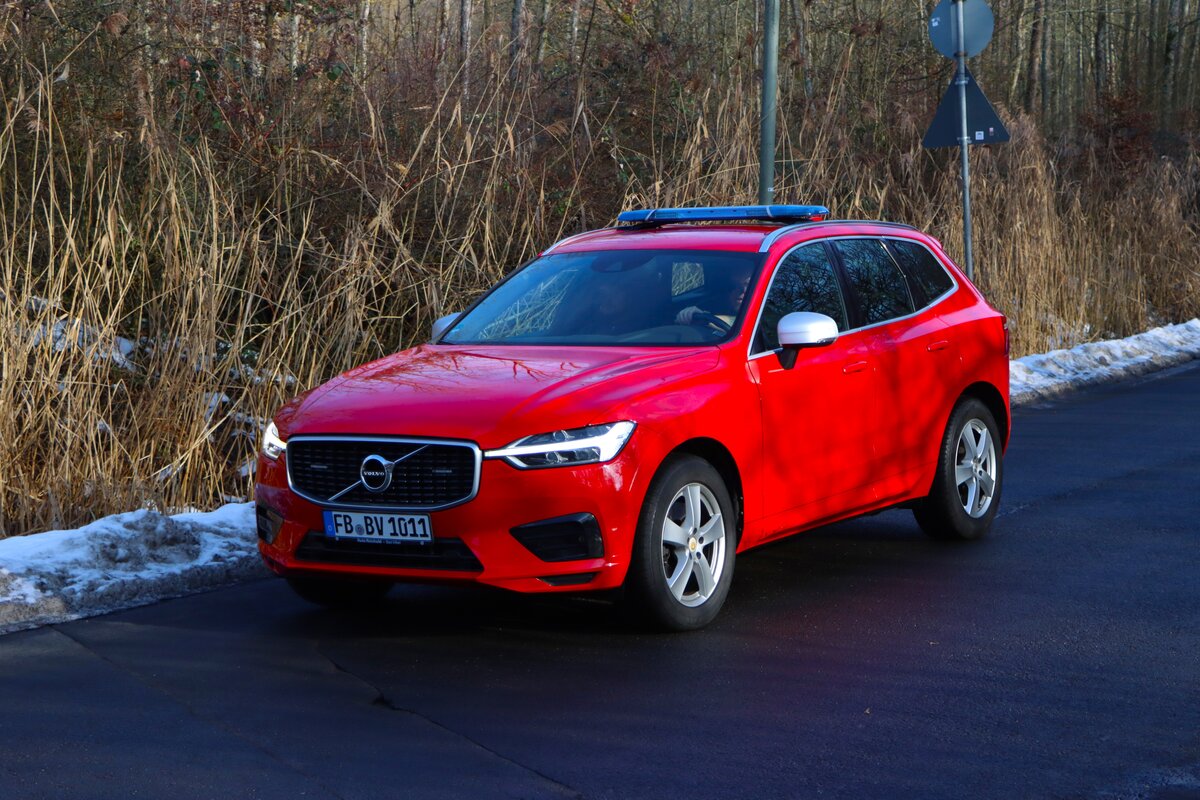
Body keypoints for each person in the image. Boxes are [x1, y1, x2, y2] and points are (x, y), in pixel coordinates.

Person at [674, 268, 753, 328]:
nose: (743, 290)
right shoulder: (717, 306)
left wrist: (707, 320)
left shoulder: (763, 313)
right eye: (733, 285)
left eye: (749, 285)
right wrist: (687, 315)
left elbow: (748, 323)